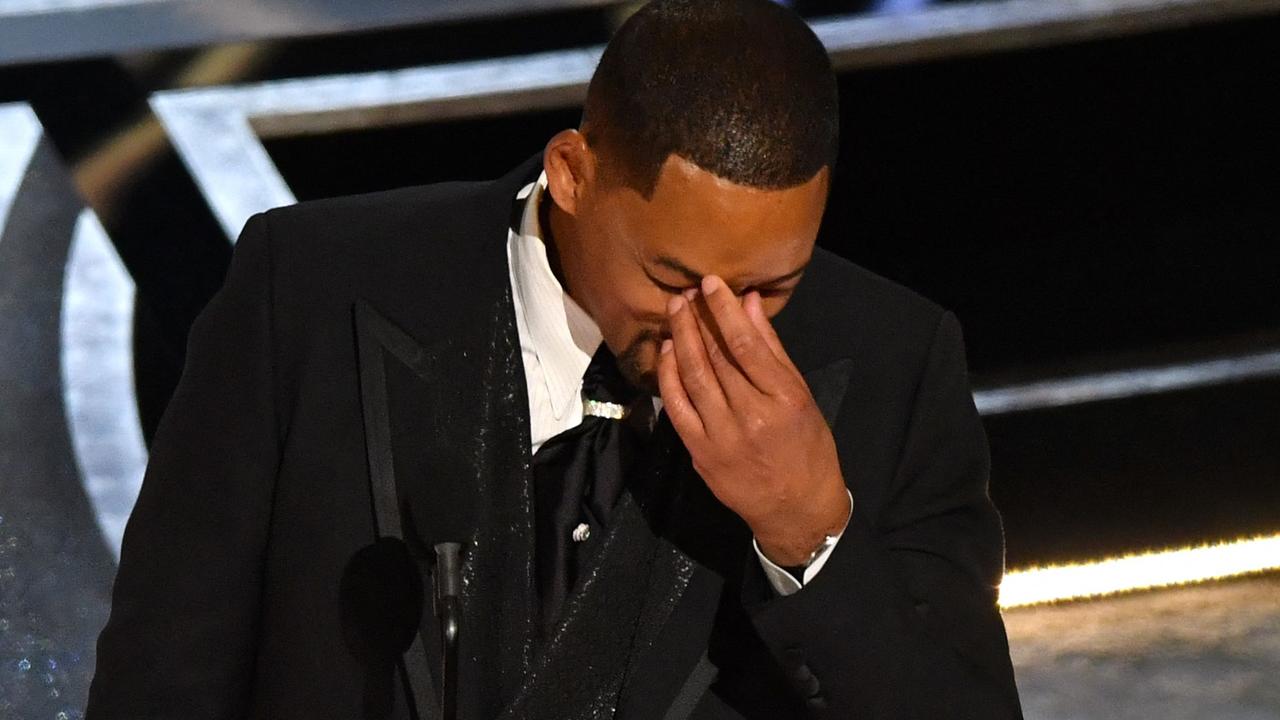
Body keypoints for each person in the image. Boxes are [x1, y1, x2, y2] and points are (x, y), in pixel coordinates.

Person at [86, 0, 1023, 717]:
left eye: (772, 287)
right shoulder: (310, 286)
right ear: (572, 173)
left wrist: (811, 535)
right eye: (671, 275)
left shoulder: (892, 360)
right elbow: (164, 668)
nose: (723, 326)